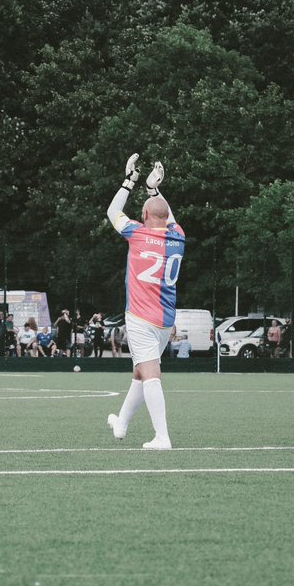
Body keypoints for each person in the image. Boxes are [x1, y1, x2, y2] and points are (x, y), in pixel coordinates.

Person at [103, 155, 181, 450]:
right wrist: (153, 189)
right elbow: (166, 214)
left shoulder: (137, 233)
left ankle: (162, 437)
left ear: (145, 217)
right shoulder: (179, 237)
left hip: (140, 316)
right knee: (140, 370)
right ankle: (121, 422)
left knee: (149, 373)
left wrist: (130, 180)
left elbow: (113, 210)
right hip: (165, 320)